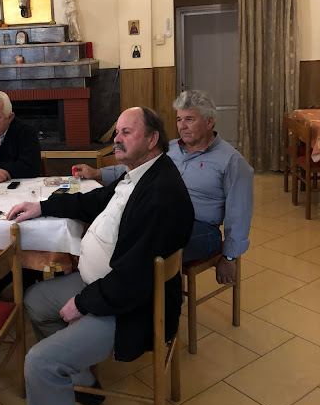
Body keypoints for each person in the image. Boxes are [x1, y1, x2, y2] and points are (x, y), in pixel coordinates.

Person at [6, 106, 194, 405]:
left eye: (127, 132)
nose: (117, 139)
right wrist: (43, 207)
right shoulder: (138, 174)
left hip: (133, 308)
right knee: (35, 300)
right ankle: (81, 376)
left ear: (152, 139)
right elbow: (96, 200)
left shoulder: (160, 193)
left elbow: (133, 278)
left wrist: (82, 304)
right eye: (117, 132)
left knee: (39, 362)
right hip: (106, 287)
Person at [74, 90, 254, 285]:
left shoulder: (231, 161)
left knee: (141, 247)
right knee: (112, 228)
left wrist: (229, 257)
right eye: (179, 119)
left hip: (201, 228)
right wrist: (96, 173)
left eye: (189, 119)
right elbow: (136, 166)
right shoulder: (172, 148)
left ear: (209, 122)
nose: (182, 126)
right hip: (160, 214)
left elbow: (240, 213)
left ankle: (138, 295)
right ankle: (109, 283)